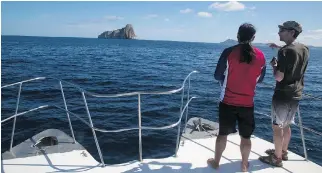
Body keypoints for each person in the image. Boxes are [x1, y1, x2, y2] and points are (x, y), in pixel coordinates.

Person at [207, 23, 266, 172]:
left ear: (237, 35)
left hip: (227, 102)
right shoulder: (261, 56)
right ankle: (244, 165)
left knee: (222, 134)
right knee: (246, 138)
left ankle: (216, 162)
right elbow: (260, 79)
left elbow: (217, 75)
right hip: (247, 104)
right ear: (253, 37)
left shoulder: (228, 52)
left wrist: (225, 80)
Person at [259, 21, 309, 167]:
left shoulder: (284, 52)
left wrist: (274, 67)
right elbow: (294, 53)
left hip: (283, 94)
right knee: (286, 125)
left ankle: (276, 158)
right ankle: (284, 152)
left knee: (277, 127)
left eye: (282, 30)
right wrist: (280, 47)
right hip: (296, 93)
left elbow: (279, 77)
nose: (279, 32)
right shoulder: (304, 48)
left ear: (291, 32)